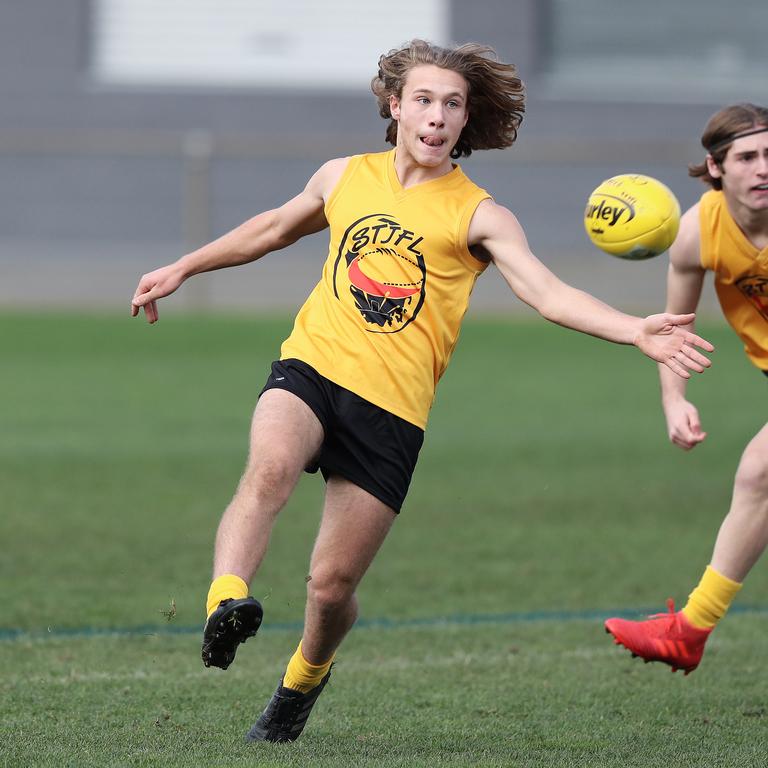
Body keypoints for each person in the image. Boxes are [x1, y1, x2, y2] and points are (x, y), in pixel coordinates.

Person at [131, 39, 713, 742]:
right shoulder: (344, 176)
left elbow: (549, 294)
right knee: (270, 470)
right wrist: (184, 266)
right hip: (312, 367)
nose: (438, 117)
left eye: (454, 105)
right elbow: (273, 229)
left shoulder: (480, 215)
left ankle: (301, 683)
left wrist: (635, 330)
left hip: (392, 412)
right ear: (395, 105)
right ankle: (228, 601)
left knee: (331, 588)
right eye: (426, 101)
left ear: (466, 122)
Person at [605, 103, 768, 675]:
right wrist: (674, 400)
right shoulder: (697, 232)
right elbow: (674, 330)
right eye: (748, 157)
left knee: (759, 472)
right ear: (716, 166)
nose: (763, 168)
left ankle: (689, 631)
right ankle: (690, 633)